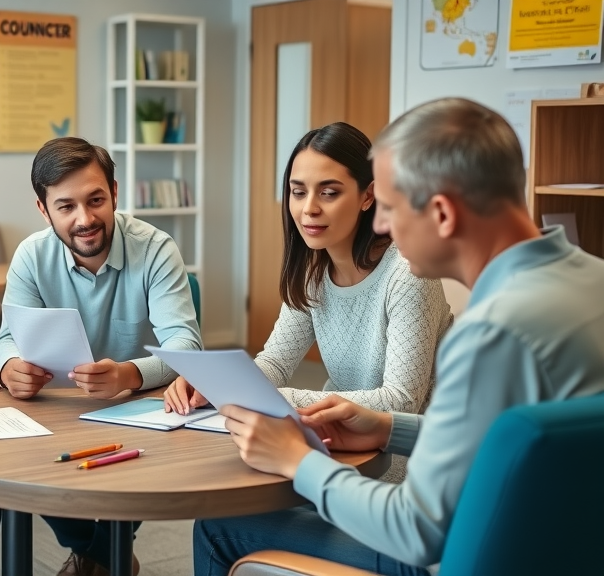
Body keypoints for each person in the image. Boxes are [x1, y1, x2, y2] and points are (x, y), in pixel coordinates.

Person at [193, 98, 604, 575]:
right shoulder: (591, 279)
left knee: (217, 527)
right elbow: (505, 440)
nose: (381, 224)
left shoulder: (492, 335)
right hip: (569, 548)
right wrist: (389, 427)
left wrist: (298, 461)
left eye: (387, 206)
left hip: (468, 556)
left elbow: (418, 532)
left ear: (443, 213)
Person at [164, 122, 452, 482]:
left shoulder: (407, 274)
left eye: (329, 193)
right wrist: (214, 383)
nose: (308, 209)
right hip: (337, 443)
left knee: (238, 523)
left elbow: (401, 401)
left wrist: (278, 400)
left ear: (368, 196)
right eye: (298, 192)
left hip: (406, 468)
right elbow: (275, 362)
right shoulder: (313, 272)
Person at [0, 136, 203, 575]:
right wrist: (11, 366)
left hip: (139, 413)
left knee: (145, 465)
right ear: (43, 209)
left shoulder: (156, 248)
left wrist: (130, 374)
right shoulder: (32, 256)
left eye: (96, 200)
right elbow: (7, 338)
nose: (85, 219)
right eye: (66, 206)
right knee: (21, 468)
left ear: (115, 194)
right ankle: (103, 554)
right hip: (58, 410)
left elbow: (186, 347)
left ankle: (94, 557)